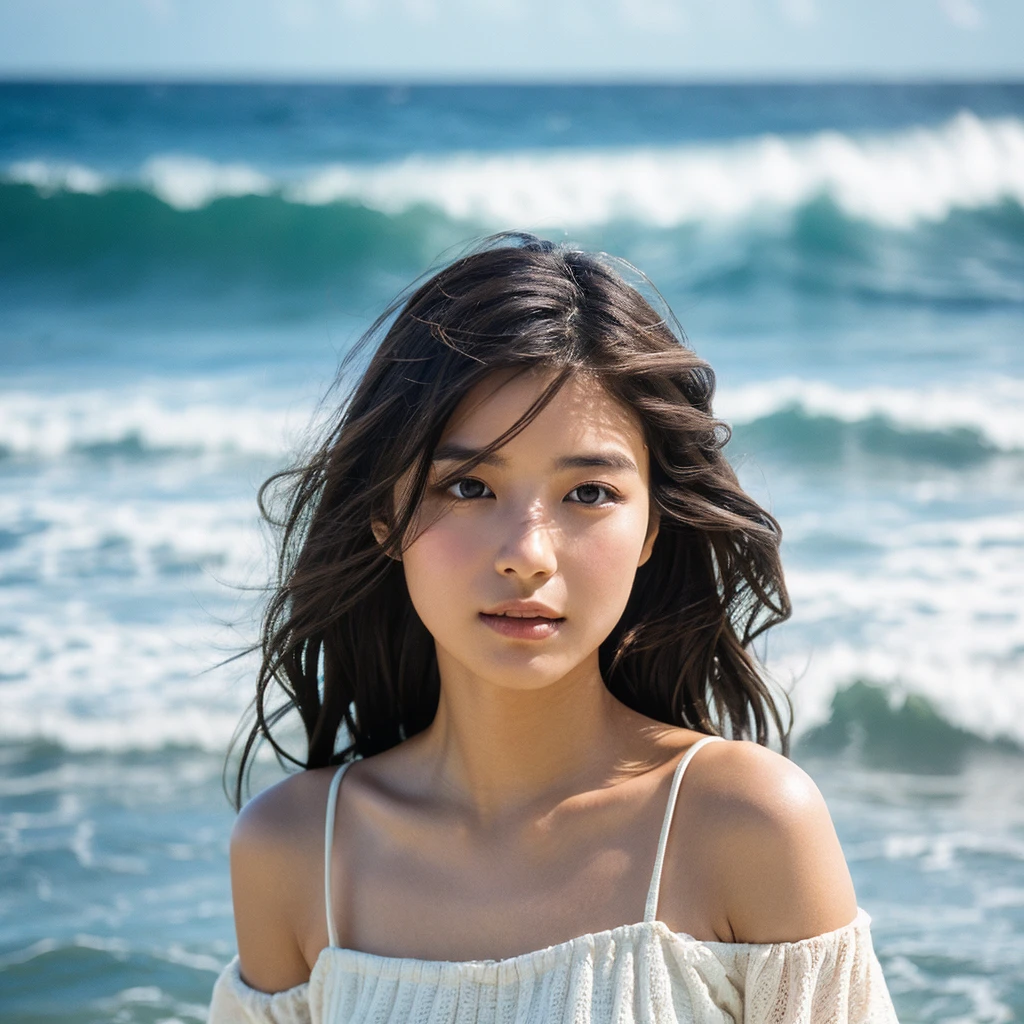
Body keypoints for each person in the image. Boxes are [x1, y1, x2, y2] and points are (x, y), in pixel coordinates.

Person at [207, 233, 900, 1023]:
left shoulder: (746, 825)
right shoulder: (295, 852)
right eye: (468, 486)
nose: (527, 555)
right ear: (383, 517)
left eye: (590, 493)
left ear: (651, 531)